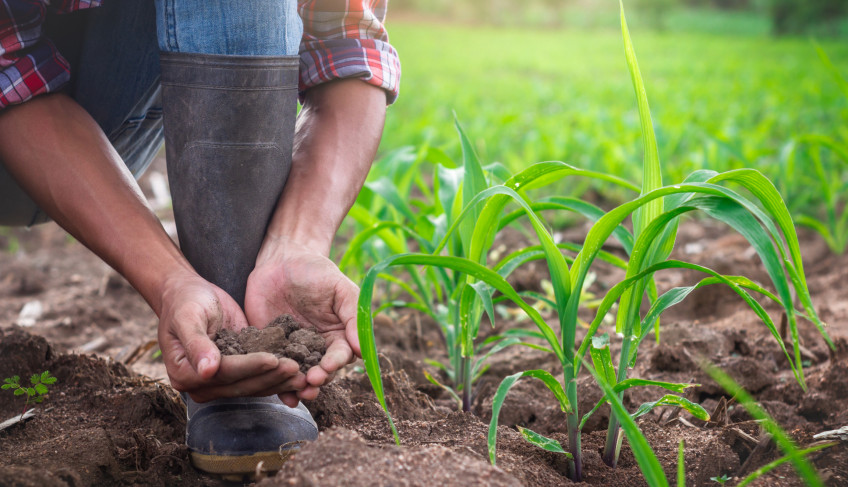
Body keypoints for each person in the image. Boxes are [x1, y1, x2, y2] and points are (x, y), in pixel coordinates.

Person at [0, 0, 399, 477]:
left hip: (106, 110)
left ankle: (231, 330)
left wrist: (297, 243)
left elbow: (348, 46)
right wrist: (167, 280)